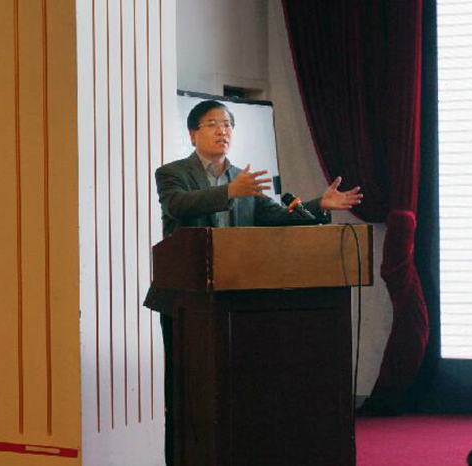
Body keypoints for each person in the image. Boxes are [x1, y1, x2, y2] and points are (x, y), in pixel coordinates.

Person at [144, 99, 362, 465]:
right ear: (193, 134)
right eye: (213, 124)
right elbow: (177, 205)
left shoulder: (243, 179)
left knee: (233, 389)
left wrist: (318, 205)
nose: (222, 131)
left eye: (227, 124)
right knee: (186, 389)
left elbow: (276, 218)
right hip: (185, 301)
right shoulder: (172, 173)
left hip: (236, 300)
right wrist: (229, 192)